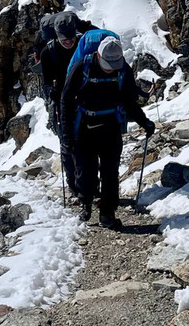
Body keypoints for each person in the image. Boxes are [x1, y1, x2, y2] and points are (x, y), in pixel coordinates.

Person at [61, 34, 155, 229]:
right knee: (85, 171)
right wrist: (66, 134)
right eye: (107, 63)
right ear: (98, 54)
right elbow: (66, 101)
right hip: (83, 127)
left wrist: (144, 121)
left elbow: (129, 101)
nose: (110, 67)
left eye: (114, 64)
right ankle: (85, 203)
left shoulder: (123, 70)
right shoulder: (82, 67)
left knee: (110, 172)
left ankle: (107, 213)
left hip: (110, 127)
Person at [39, 12, 85, 197]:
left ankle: (88, 183)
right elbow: (47, 81)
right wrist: (52, 91)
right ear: (56, 35)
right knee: (67, 143)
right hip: (62, 102)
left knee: (87, 141)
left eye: (71, 37)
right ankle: (73, 184)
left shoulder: (83, 45)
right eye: (64, 38)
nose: (68, 41)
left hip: (84, 98)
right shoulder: (47, 53)